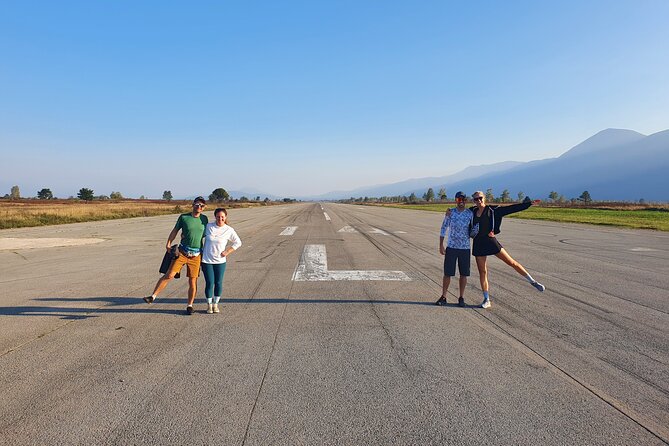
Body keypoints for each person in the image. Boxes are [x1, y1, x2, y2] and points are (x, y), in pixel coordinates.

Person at [470, 191, 545, 309]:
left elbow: (511, 209)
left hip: (490, 241)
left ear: (484, 198)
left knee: (512, 262)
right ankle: (486, 299)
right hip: (478, 243)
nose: (478, 201)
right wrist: (450, 211)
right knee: (482, 272)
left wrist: (527, 204)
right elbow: (459, 212)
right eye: (476, 199)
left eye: (480, 198)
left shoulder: (493, 210)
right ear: (473, 201)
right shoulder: (472, 211)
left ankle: (533, 281)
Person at [144, 196, 209, 315]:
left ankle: (190, 305)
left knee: (192, 281)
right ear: (193, 205)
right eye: (197, 204)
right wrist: (168, 243)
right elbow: (175, 230)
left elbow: (206, 234)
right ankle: (153, 296)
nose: (199, 207)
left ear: (204, 208)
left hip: (196, 255)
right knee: (169, 275)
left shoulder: (204, 219)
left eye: (202, 206)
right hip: (182, 252)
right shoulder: (184, 217)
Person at [436, 191, 473, 307]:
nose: (460, 202)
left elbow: (476, 227)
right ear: (455, 200)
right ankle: (444, 296)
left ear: (465, 200)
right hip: (451, 247)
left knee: (464, 274)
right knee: (448, 273)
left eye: (463, 199)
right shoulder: (450, 213)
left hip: (465, 248)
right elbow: (443, 228)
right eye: (458, 200)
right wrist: (441, 245)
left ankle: (461, 297)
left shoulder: (470, 214)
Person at [201, 208, 242, 314]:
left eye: (222, 217)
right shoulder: (209, 226)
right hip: (207, 260)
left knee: (218, 282)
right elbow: (198, 235)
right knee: (209, 283)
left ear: (225, 217)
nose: (220, 218)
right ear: (215, 217)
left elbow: (238, 242)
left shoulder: (229, 230)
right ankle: (209, 305)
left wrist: (227, 251)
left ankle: (216, 304)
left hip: (220, 261)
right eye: (218, 216)